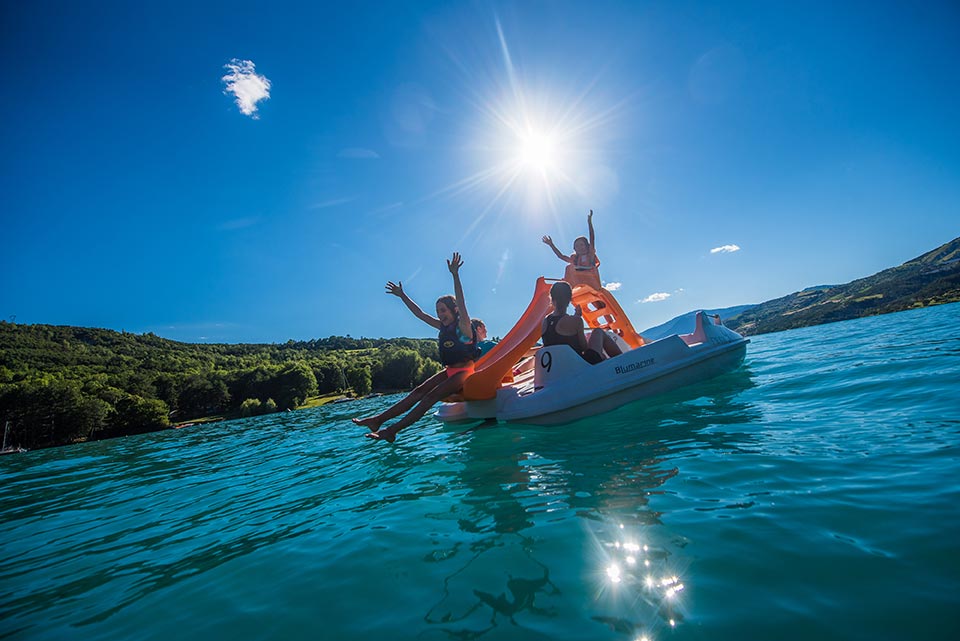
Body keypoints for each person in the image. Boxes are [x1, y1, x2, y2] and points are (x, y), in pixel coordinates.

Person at [353, 252, 478, 443]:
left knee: (431, 397)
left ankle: (391, 430)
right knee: (419, 391)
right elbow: (420, 314)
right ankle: (378, 420)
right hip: (450, 370)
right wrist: (402, 295)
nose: (439, 314)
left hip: (464, 371)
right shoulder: (442, 327)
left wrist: (455, 275)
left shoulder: (464, 327)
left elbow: (461, 302)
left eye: (443, 310)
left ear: (454, 310)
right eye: (438, 311)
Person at [541, 280, 621, 364]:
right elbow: (584, 347)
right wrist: (577, 318)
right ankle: (624, 362)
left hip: (556, 365)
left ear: (551, 298)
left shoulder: (545, 321)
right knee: (598, 331)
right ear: (569, 299)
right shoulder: (576, 321)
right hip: (578, 364)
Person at [541, 209, 602, 289]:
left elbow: (592, 238)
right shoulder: (575, 259)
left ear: (587, 246)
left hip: (591, 277)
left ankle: (567, 286)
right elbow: (561, 256)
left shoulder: (590, 255)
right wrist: (551, 245)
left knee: (569, 268)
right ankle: (568, 286)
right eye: (577, 246)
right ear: (575, 249)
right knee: (569, 267)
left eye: (581, 245)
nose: (579, 247)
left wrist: (589, 223)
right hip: (579, 280)